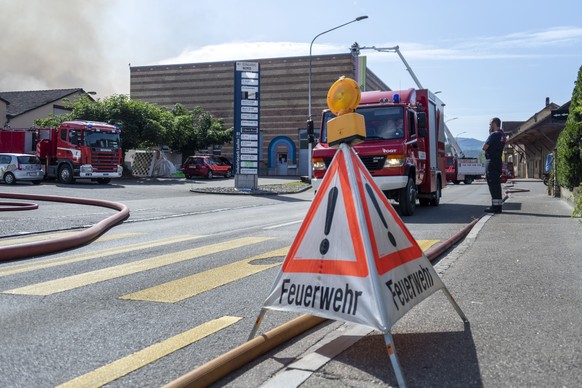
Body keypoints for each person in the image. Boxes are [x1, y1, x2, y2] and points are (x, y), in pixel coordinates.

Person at [482, 117, 506, 213]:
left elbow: (484, 147)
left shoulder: (494, 135)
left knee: (492, 184)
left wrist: (490, 134)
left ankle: (495, 207)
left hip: (491, 161)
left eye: (490, 123)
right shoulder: (502, 135)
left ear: (494, 124)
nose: (489, 126)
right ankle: (498, 206)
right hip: (498, 161)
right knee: (496, 184)